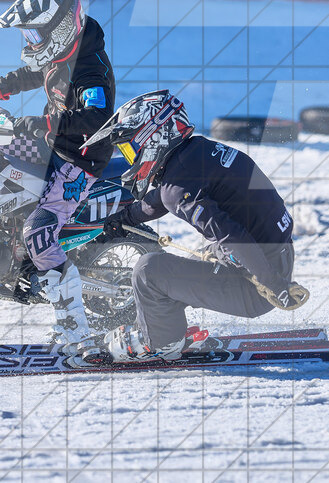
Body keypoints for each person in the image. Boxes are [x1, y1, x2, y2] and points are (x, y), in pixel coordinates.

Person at [86, 91, 307, 363]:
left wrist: (273, 284)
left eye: (130, 149)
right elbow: (160, 198)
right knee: (175, 272)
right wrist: (124, 219)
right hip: (272, 257)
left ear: (154, 137)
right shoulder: (195, 152)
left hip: (259, 282)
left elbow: (230, 234)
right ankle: (165, 329)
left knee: (148, 271)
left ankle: (160, 342)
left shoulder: (176, 187)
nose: (131, 159)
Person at [0, 0, 115, 359]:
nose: (31, 40)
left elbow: (95, 115)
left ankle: (77, 333)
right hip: (55, 143)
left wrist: (45, 125)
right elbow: (32, 75)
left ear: (61, 28)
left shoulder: (89, 69)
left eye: (35, 32)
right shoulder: (61, 52)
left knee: (39, 233)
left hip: (77, 158)